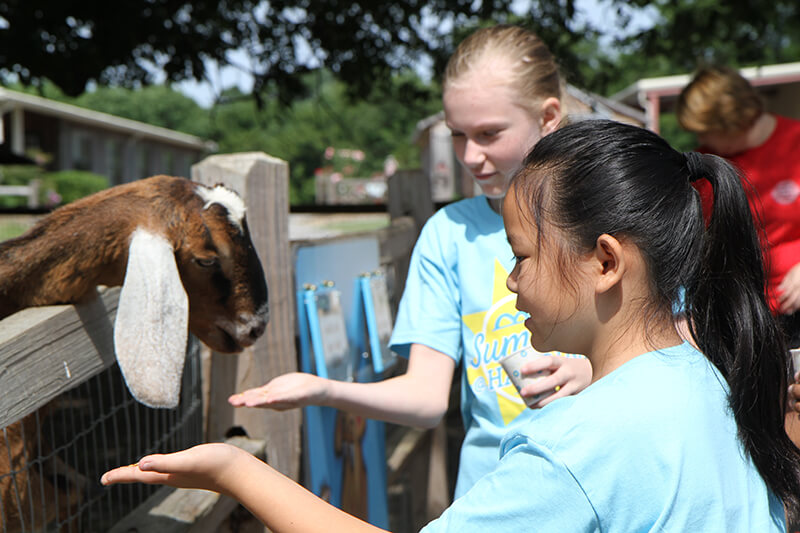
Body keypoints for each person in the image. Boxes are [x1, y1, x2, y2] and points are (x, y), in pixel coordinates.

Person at [102, 119, 800, 531]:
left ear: (606, 262)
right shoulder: (708, 370)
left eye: (522, 256)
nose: (511, 279)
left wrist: (232, 469)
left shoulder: (578, 445)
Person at [228, 24, 592, 498]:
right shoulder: (447, 234)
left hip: (599, 490)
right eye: (458, 134)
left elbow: (683, 347)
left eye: (489, 133)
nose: (470, 156)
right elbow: (425, 398)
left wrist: (595, 373)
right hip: (493, 500)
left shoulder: (608, 208)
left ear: (548, 117)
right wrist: (322, 390)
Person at [676, 65, 800, 345]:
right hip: (740, 313)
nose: (702, 141)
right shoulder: (705, 162)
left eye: (706, 131)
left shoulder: (794, 143)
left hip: (793, 307)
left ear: (731, 119)